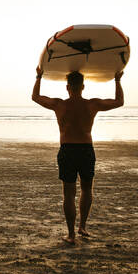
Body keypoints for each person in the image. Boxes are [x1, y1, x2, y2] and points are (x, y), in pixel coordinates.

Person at [32, 66, 124, 244]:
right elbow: (119, 101)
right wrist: (118, 80)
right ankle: (82, 226)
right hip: (86, 150)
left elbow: (35, 97)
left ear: (67, 87)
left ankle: (71, 235)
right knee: (87, 189)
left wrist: (38, 77)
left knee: (68, 193)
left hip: (67, 150)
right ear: (83, 87)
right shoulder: (92, 104)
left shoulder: (60, 105)